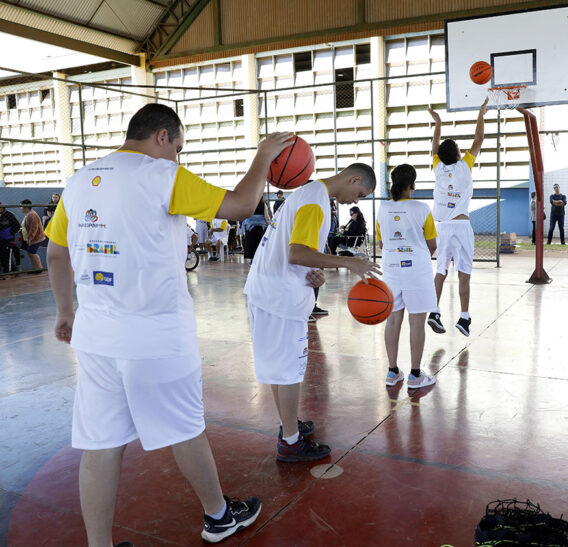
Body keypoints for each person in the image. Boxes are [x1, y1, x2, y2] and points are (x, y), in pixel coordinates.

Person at [44, 103, 294, 545]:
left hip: (96, 338)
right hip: (156, 335)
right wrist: (261, 156)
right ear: (162, 136)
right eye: (177, 147)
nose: (178, 157)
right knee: (185, 429)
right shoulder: (162, 176)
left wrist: (65, 310)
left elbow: (58, 253)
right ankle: (219, 517)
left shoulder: (79, 180)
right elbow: (241, 205)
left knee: (99, 445)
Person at [243, 163, 380, 462]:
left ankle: (289, 427)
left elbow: (294, 253)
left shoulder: (307, 193)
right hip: (280, 297)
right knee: (290, 370)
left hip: (265, 290)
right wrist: (350, 262)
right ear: (353, 178)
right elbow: (297, 252)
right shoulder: (316, 200)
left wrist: (314, 270)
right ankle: (291, 443)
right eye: (360, 193)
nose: (356, 201)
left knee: (280, 369)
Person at [425, 98, 488, 337]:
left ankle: (434, 312)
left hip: (442, 228)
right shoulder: (465, 166)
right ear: (459, 154)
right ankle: (464, 317)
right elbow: (479, 139)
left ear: (440, 155)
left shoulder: (437, 168)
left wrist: (438, 121)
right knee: (464, 273)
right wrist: (481, 113)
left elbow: (435, 144)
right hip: (461, 226)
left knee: (440, 271)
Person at [377, 164, 438, 389]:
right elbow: (432, 244)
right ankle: (415, 375)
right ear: (413, 184)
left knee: (393, 321)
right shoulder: (422, 208)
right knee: (417, 322)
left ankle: (392, 372)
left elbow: (382, 243)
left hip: (391, 270)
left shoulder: (382, 209)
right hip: (417, 271)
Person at [242, 197, 271, 261]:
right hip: (261, 226)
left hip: (250, 226)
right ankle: (259, 259)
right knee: (260, 242)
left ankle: (251, 259)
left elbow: (246, 214)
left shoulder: (250, 204)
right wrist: (270, 223)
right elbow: (267, 216)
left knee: (251, 242)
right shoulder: (263, 204)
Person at [20, 199, 45, 271]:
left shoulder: (32, 215)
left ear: (26, 207)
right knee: (31, 253)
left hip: (35, 238)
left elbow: (33, 228)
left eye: (21, 206)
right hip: (31, 238)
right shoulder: (28, 214)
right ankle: (36, 268)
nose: (20, 208)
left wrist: (30, 238)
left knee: (32, 253)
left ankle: (39, 268)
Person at [0, 201, 22, 273]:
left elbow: (17, 226)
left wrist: (9, 233)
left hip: (8, 240)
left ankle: (8, 273)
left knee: (7, 257)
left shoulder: (9, 215)